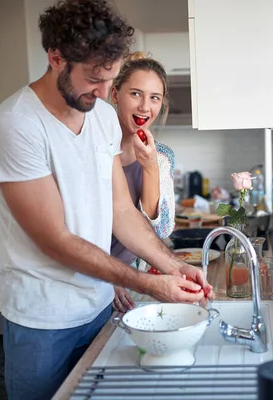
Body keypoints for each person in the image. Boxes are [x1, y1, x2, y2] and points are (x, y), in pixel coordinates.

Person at [0, 1, 212, 399]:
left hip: (99, 307)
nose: (104, 93)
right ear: (56, 58)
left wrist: (173, 266)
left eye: (111, 79)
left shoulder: (101, 117)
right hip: (43, 318)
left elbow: (121, 210)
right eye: (94, 79)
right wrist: (148, 285)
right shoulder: (16, 125)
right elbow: (56, 240)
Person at [107, 52, 178, 313]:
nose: (145, 107)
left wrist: (149, 167)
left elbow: (160, 232)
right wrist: (108, 276)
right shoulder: (95, 150)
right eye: (135, 94)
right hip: (90, 280)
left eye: (154, 98)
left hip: (134, 286)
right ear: (115, 95)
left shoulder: (162, 157)